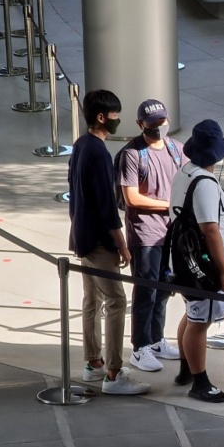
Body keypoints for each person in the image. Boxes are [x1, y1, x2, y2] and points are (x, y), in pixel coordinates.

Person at [68, 90, 151, 396]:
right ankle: (114, 373)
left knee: (92, 300)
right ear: (102, 117)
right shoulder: (100, 154)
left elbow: (77, 195)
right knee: (116, 301)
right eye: (115, 114)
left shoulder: (80, 145)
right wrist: (123, 245)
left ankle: (94, 362)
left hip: (81, 237)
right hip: (99, 241)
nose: (118, 119)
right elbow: (107, 208)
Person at [168, 119, 224, 403]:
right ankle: (199, 380)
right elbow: (210, 229)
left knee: (193, 313)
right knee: (200, 320)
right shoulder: (205, 183)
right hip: (203, 265)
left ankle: (186, 369)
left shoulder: (185, 172)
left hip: (185, 260)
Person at [117, 100, 184, 374]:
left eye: (161, 121)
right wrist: (169, 205)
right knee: (146, 290)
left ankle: (157, 340)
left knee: (164, 287)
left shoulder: (177, 150)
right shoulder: (132, 154)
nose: (159, 127)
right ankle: (140, 346)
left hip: (172, 232)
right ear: (140, 125)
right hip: (145, 233)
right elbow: (131, 197)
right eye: (153, 123)